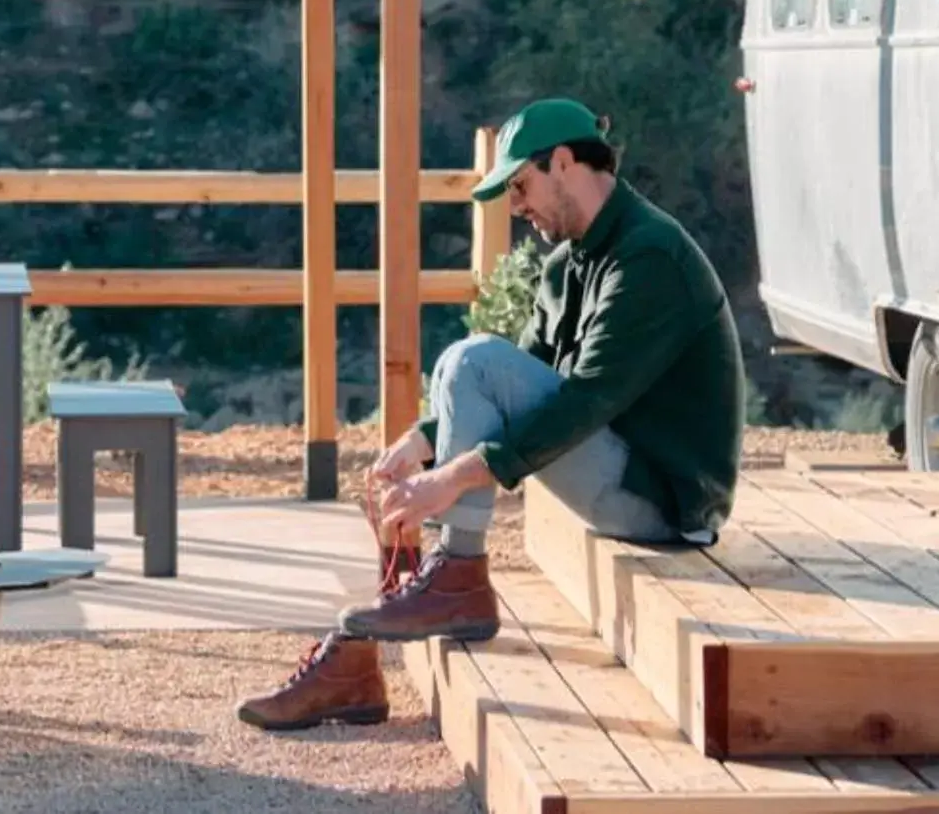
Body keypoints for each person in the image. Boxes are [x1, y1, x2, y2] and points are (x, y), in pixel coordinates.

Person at [237, 97, 746, 731]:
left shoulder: (649, 257)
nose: (516, 206)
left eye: (521, 185)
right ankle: (414, 611)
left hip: (662, 499)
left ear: (563, 162)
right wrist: (421, 443)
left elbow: (586, 401)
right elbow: (524, 371)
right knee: (466, 359)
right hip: (615, 471)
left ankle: (457, 575)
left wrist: (451, 479)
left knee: (473, 359)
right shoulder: (570, 263)